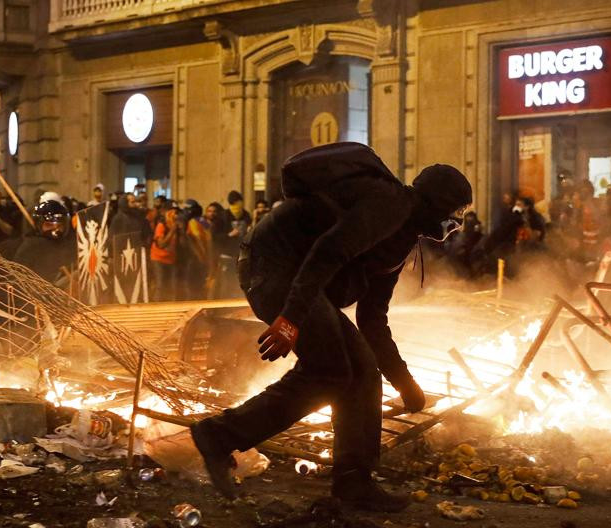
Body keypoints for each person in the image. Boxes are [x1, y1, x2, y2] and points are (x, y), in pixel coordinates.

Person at [190, 143, 472, 511]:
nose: (456, 225)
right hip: (274, 267)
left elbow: (373, 319)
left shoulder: (401, 237)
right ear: (436, 204)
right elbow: (328, 252)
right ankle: (217, 436)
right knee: (330, 371)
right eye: (455, 214)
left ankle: (355, 481)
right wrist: (290, 319)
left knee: (363, 371)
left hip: (302, 280)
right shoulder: (389, 204)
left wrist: (405, 384)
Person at [12, 200, 76, 286]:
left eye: (59, 225)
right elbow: (19, 278)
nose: (55, 229)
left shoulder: (68, 245)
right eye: (49, 225)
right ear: (39, 225)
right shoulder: (31, 247)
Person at [149, 202, 179, 302]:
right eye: (173, 212)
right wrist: (172, 231)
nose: (175, 215)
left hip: (171, 259)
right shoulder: (161, 225)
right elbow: (161, 244)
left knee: (172, 286)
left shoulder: (177, 225)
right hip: (159, 258)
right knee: (160, 284)